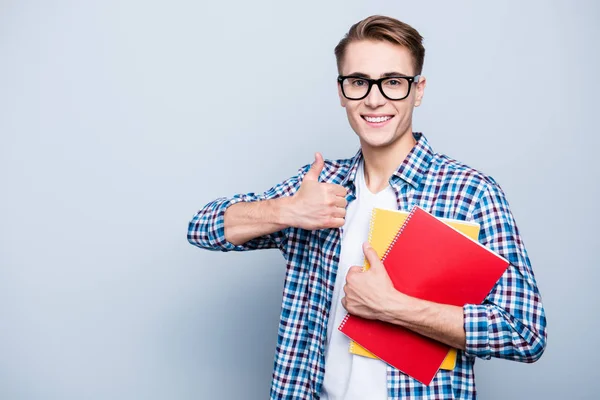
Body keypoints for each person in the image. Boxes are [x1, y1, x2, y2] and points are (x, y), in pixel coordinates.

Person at [187, 15, 547, 400]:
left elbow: (524, 332)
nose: (374, 99)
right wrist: (287, 211)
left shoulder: (470, 193)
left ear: (418, 90)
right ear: (342, 92)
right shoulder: (317, 187)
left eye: (393, 82)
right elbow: (202, 228)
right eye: (358, 82)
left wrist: (393, 307)